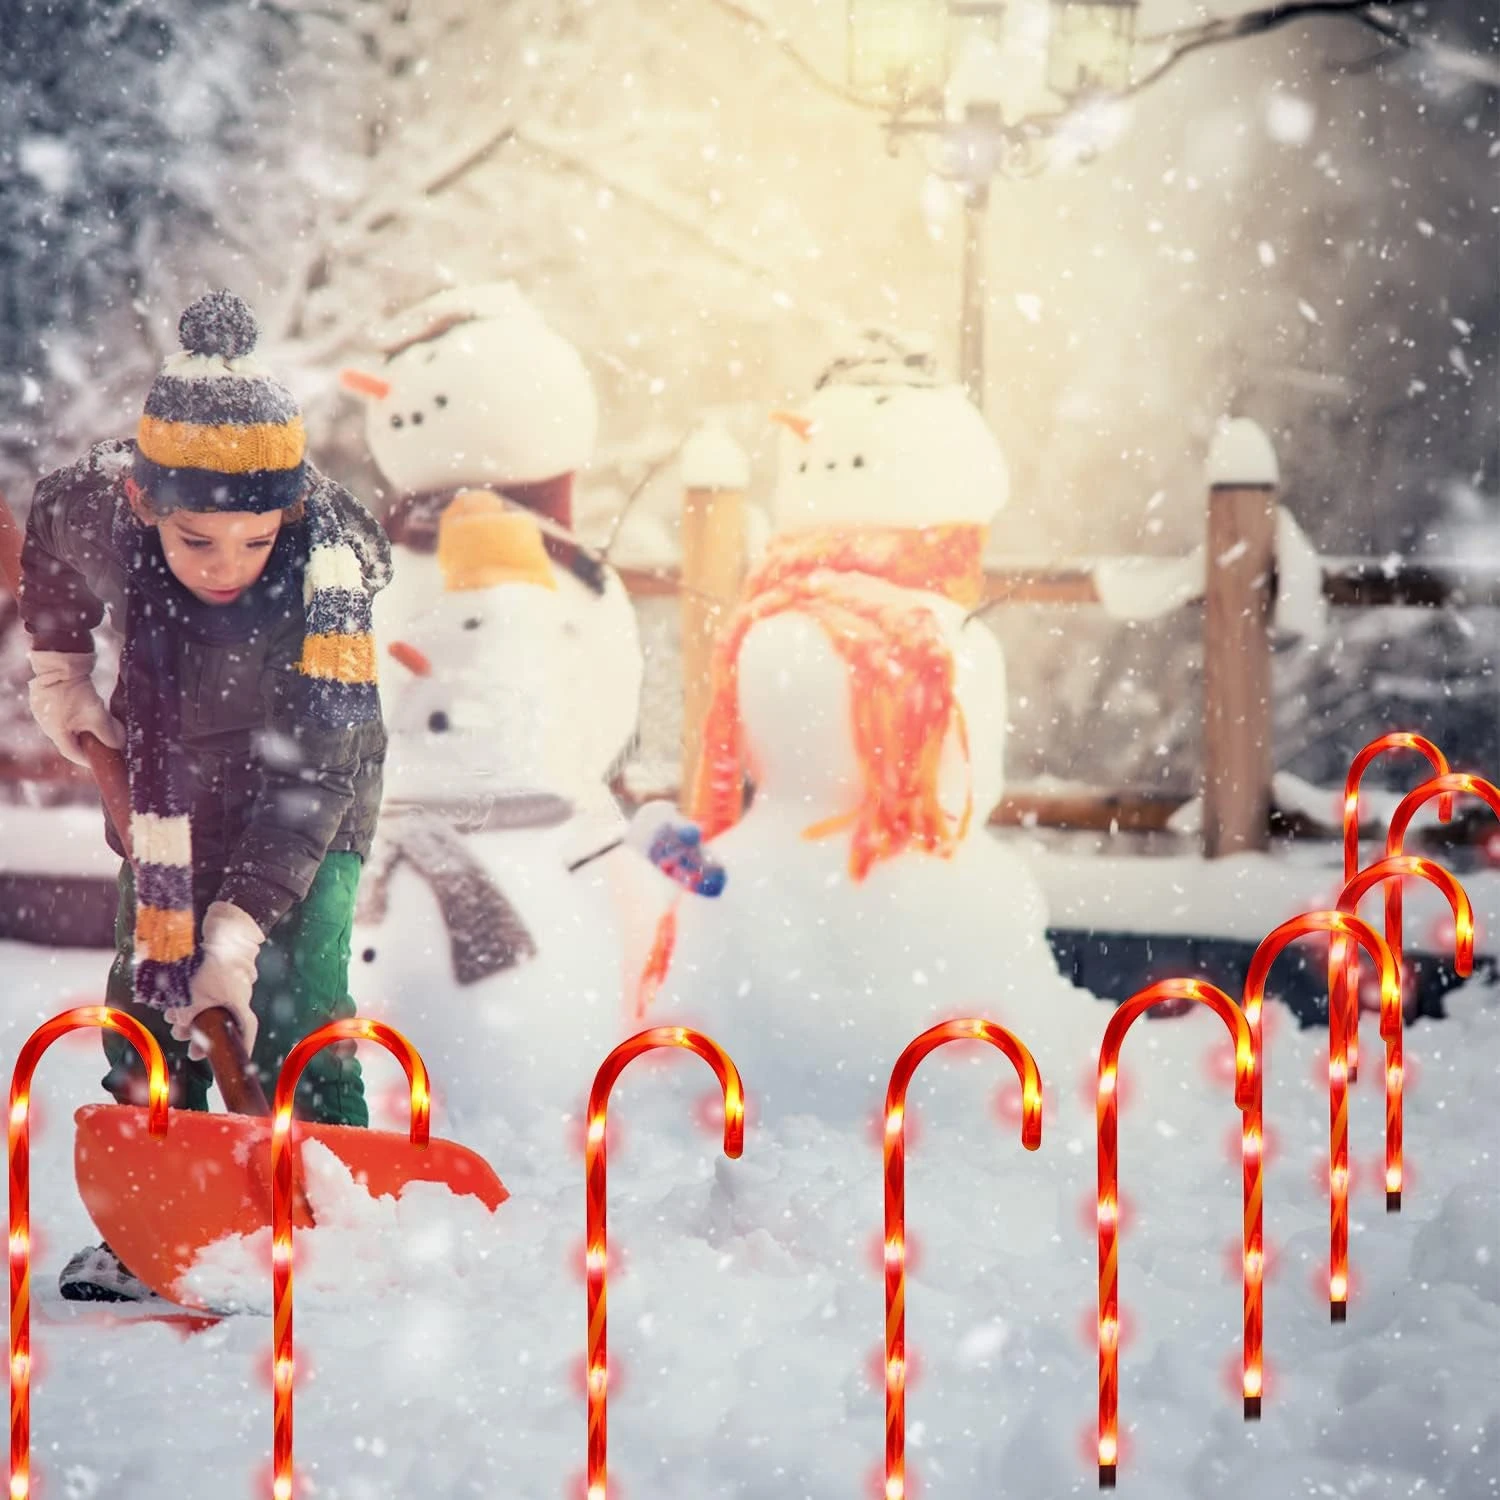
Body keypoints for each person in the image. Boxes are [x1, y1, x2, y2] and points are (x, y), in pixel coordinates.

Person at [19, 290, 391, 1301]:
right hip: (166, 794)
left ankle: (338, 1215)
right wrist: (58, 669)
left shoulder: (326, 590)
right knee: (148, 994)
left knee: (295, 989)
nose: (227, 564)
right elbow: (46, 536)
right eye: (196, 540)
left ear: (290, 514)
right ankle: (160, 1222)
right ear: (144, 504)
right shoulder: (97, 509)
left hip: (311, 794)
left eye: (253, 538)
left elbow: (312, 775)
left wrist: (234, 935)